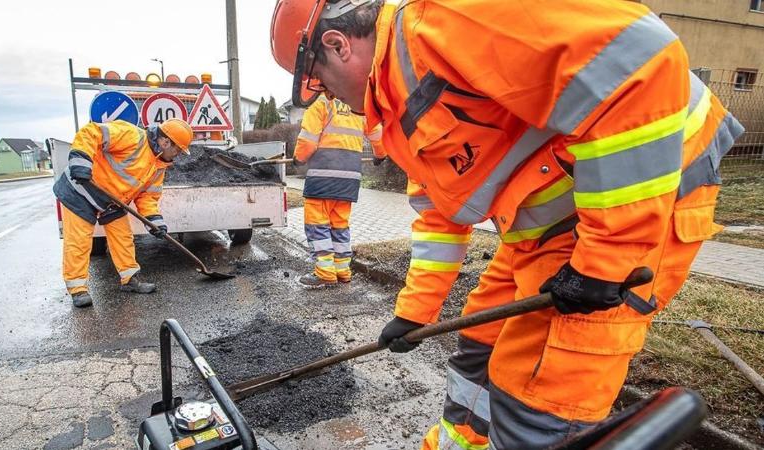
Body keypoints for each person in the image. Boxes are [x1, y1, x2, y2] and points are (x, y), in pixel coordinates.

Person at [269, 0, 744, 448]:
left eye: (318, 82)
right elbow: (441, 216)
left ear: (337, 44)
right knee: (478, 348)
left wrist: (607, 261)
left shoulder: (447, 20)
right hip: (544, 235)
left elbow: (639, 60)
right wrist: (415, 312)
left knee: (541, 394)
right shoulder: (393, 107)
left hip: (641, 203)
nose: (327, 96)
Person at [53, 118, 193, 308]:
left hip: (112, 200)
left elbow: (148, 197)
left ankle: (129, 279)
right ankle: (78, 289)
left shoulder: (159, 166)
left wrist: (155, 222)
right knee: (79, 240)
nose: (177, 155)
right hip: (81, 188)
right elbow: (91, 132)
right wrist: (81, 162)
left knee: (123, 237)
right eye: (177, 150)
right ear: (165, 142)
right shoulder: (132, 136)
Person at [293, 93, 386, 287]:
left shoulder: (322, 104)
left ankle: (325, 273)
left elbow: (308, 140)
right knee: (339, 225)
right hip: (350, 178)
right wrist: (380, 154)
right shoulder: (358, 103)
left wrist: (298, 158)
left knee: (317, 225)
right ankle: (342, 270)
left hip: (323, 176)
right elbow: (377, 132)